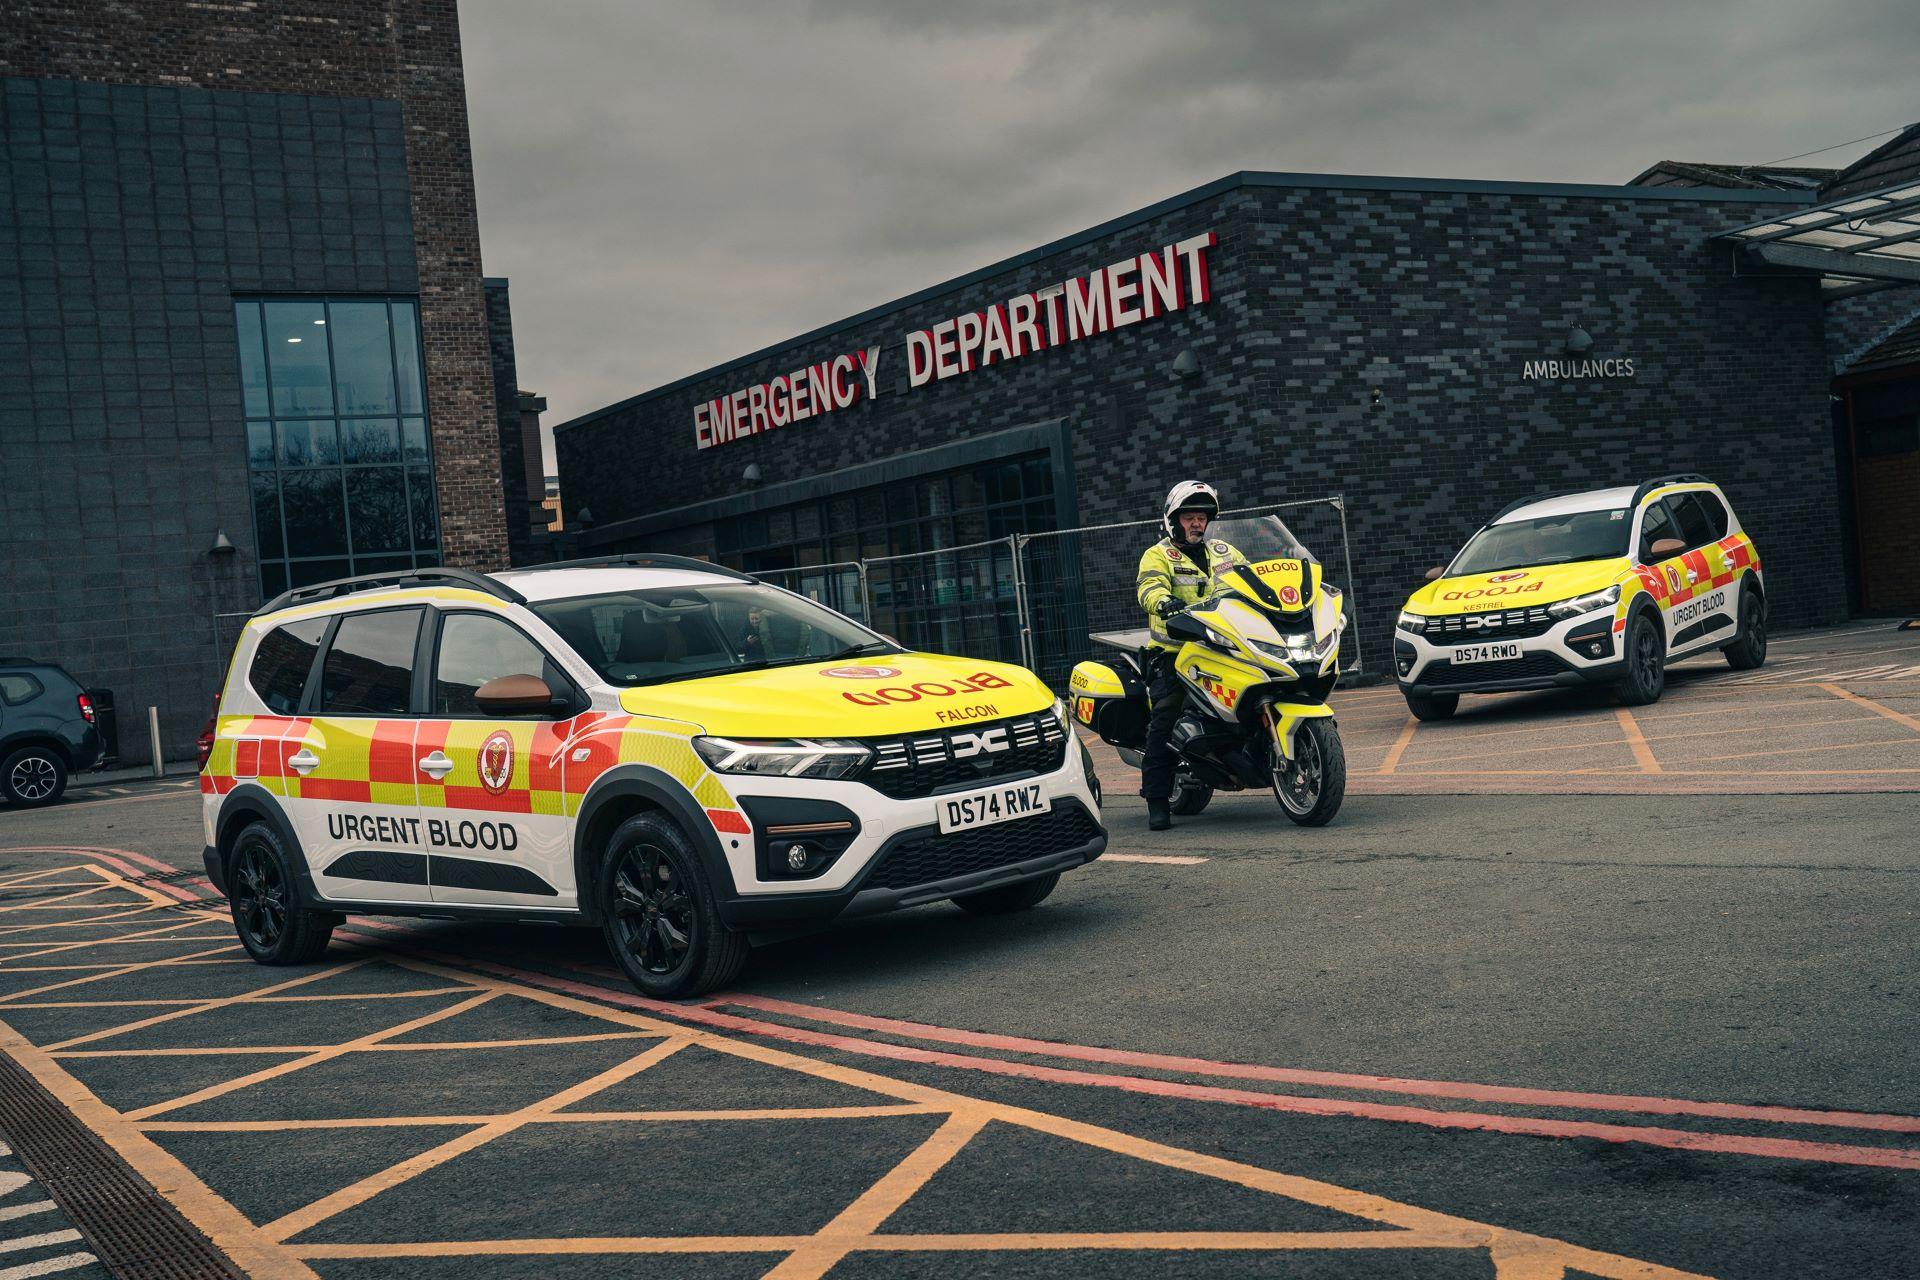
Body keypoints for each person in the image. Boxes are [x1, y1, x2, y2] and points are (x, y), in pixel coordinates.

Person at [1134, 481, 1247, 830]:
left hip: (1221, 646)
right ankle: (1156, 799)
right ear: (1173, 521)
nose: (1197, 523)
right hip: (1173, 652)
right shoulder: (1158, 555)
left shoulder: (1225, 552)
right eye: (1189, 518)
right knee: (1164, 718)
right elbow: (1148, 587)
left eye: (1201, 517)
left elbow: (1252, 580)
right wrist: (1163, 601)